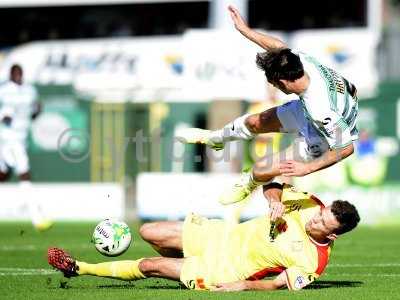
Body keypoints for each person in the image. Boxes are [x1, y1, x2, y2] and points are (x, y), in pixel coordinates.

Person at [176, 5, 359, 205]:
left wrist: (307, 168)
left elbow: (346, 147)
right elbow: (278, 47)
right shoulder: (299, 62)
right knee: (255, 122)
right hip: (311, 112)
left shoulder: (321, 106)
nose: (273, 88)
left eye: (273, 84)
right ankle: (214, 139)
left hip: (322, 138)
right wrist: (245, 31)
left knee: (262, 168)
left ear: (283, 82)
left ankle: (249, 181)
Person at [48, 183, 360, 291]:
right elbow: (272, 182)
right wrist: (274, 200)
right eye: (321, 212)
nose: (316, 217)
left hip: (222, 270)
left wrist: (243, 286)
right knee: (148, 232)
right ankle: (182, 265)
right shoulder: (310, 204)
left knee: (149, 266)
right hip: (219, 235)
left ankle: (78, 268)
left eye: (322, 221)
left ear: (334, 234)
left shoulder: (313, 263)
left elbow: (279, 285)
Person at [0, 64, 52, 231]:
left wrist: (37, 110)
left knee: (4, 174)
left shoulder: (30, 90)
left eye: (19, 73)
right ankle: (37, 219)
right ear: (10, 74)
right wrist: (5, 116)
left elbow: (34, 111)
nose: (17, 76)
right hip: (9, 139)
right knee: (25, 174)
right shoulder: (4, 90)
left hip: (21, 139)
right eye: (14, 73)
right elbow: (5, 113)